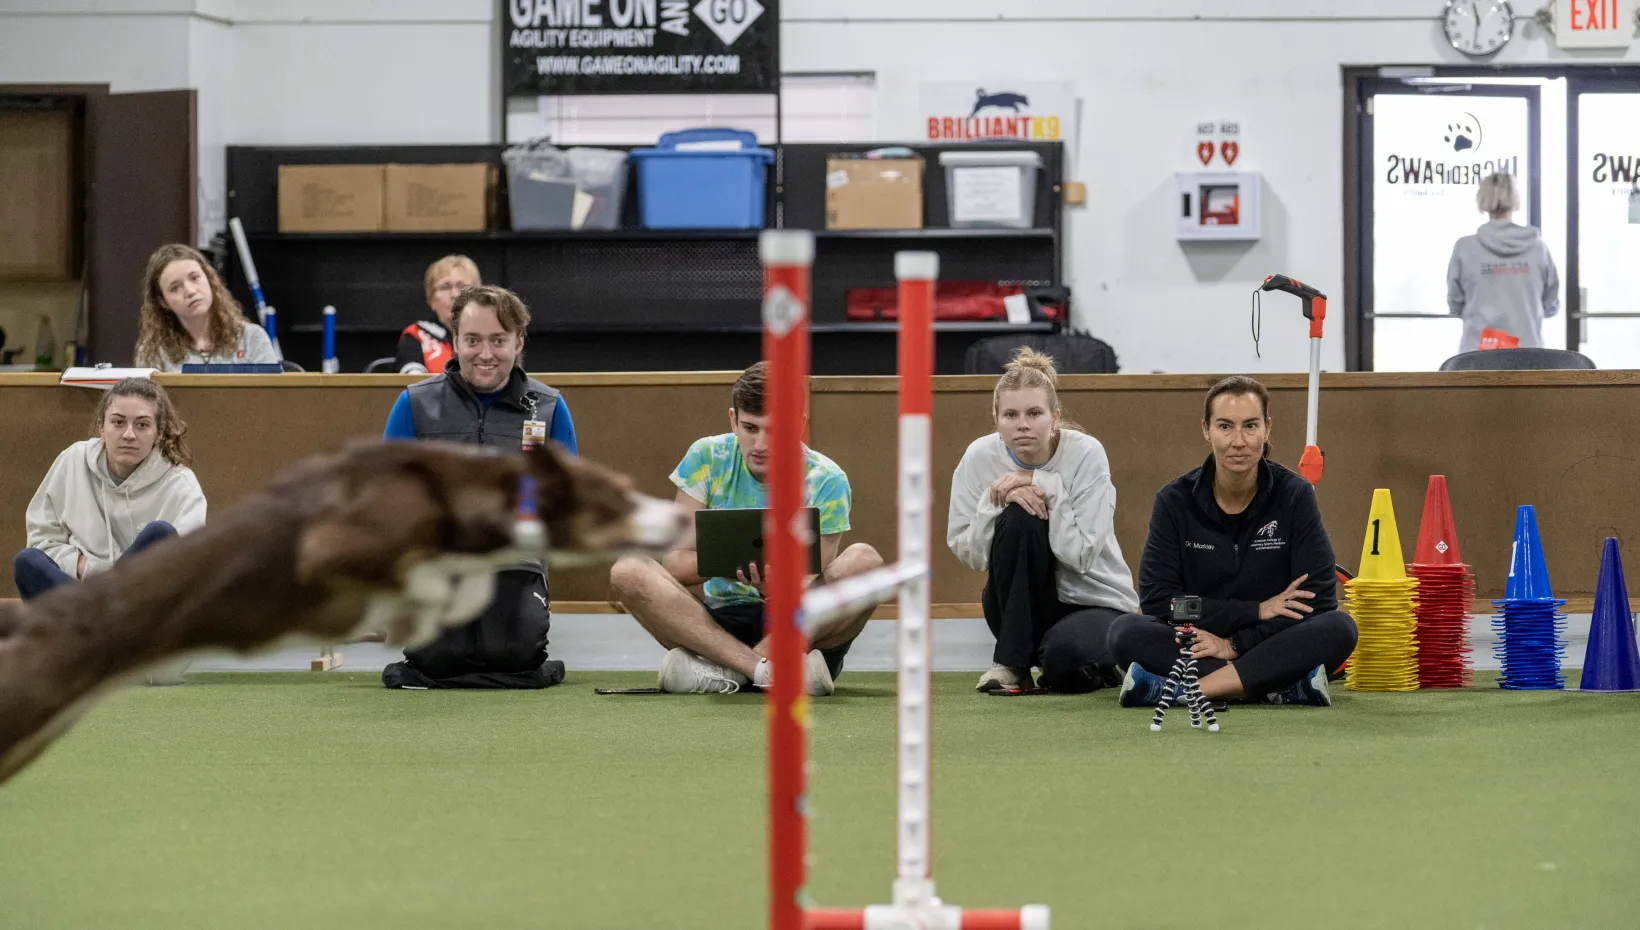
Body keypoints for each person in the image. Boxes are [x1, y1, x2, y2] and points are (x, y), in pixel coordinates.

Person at [607, 362, 884, 695]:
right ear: (733, 420)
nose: (761, 444)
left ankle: (722, 674)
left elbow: (814, 582)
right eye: (750, 428)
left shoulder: (827, 479)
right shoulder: (706, 457)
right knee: (628, 569)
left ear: (799, 425)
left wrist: (771, 585)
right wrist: (730, 559)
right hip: (717, 624)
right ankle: (762, 671)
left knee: (865, 562)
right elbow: (675, 565)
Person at [1110, 376, 1357, 708]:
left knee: (1339, 627)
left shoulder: (1294, 496)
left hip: (1272, 640)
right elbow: (1162, 603)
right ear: (1206, 429)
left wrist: (1236, 644)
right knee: (1125, 632)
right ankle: (1272, 686)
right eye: (1225, 426)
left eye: (1250, 426)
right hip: (1203, 643)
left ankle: (1195, 688)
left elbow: (1318, 599)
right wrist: (1253, 610)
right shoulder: (1174, 501)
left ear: (1267, 429)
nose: (1238, 441)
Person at [380, 284, 576, 689]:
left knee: (514, 654)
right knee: (437, 659)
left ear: (519, 342)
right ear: (455, 341)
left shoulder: (549, 407)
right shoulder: (414, 404)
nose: (485, 354)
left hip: (515, 562)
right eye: (472, 340)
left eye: (498, 341)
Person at [947, 348, 1138, 693]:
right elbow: (972, 555)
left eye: (1035, 413)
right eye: (1011, 414)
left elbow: (1080, 557)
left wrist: (1046, 487)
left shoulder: (1086, 454)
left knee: (1062, 666)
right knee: (1018, 515)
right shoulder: (979, 457)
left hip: (1094, 600)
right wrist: (996, 500)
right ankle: (1012, 666)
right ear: (996, 419)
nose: (1022, 424)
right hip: (1016, 603)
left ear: (1055, 418)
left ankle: (1103, 663)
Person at [1446, 172, 1560, 353]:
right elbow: (1550, 305)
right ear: (1515, 198)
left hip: (1477, 357)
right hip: (1528, 356)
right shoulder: (1538, 249)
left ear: (1482, 199)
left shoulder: (1464, 248)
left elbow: (1455, 304)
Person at [133, 244, 279, 371]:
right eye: (175, 288)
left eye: (195, 278)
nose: (190, 291)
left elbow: (274, 398)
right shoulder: (153, 352)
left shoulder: (251, 338)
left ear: (209, 279)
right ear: (163, 302)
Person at [395, 255, 481, 374]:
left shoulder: (493, 332)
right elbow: (412, 382)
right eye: (445, 287)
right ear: (431, 299)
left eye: (463, 287)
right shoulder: (416, 335)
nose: (454, 294)